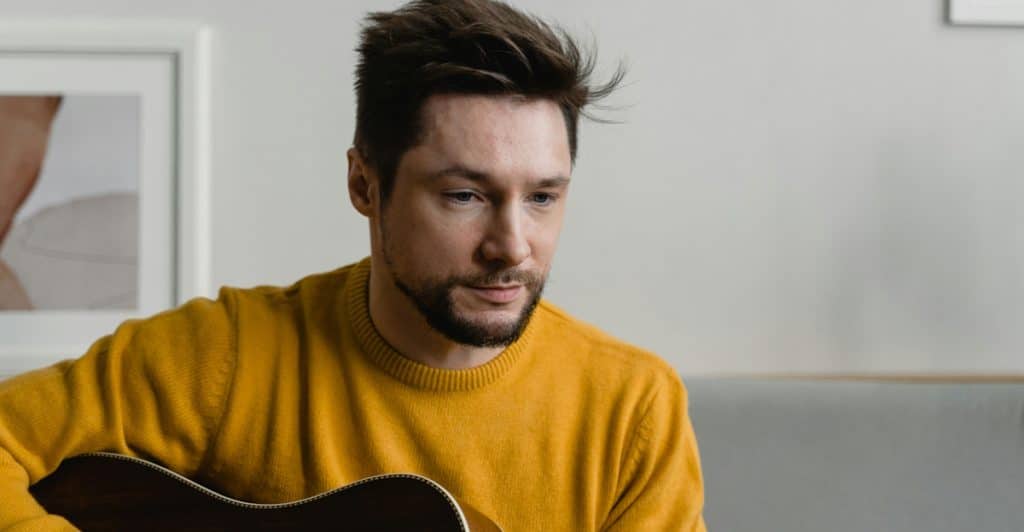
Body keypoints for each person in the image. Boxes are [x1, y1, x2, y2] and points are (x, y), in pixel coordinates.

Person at [0, 0, 706, 529]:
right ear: (365, 184)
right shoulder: (229, 354)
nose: (513, 246)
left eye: (543, 197)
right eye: (464, 195)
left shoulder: (631, 409)